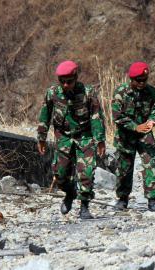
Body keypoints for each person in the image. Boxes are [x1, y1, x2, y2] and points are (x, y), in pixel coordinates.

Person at [37, 60, 106, 219]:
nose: (66, 85)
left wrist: (100, 140)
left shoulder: (88, 93)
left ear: (76, 77)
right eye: (62, 81)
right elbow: (44, 116)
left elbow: (96, 117)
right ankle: (70, 193)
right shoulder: (53, 93)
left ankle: (84, 206)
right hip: (64, 137)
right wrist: (41, 138)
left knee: (86, 172)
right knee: (60, 174)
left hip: (85, 137)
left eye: (69, 81)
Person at [112, 61, 155, 212]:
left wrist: (152, 121)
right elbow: (117, 116)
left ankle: (152, 200)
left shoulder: (151, 92)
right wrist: (135, 127)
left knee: (150, 163)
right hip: (126, 135)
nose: (141, 83)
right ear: (131, 79)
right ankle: (122, 199)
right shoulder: (120, 93)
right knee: (124, 168)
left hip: (145, 134)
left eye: (144, 80)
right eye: (138, 80)